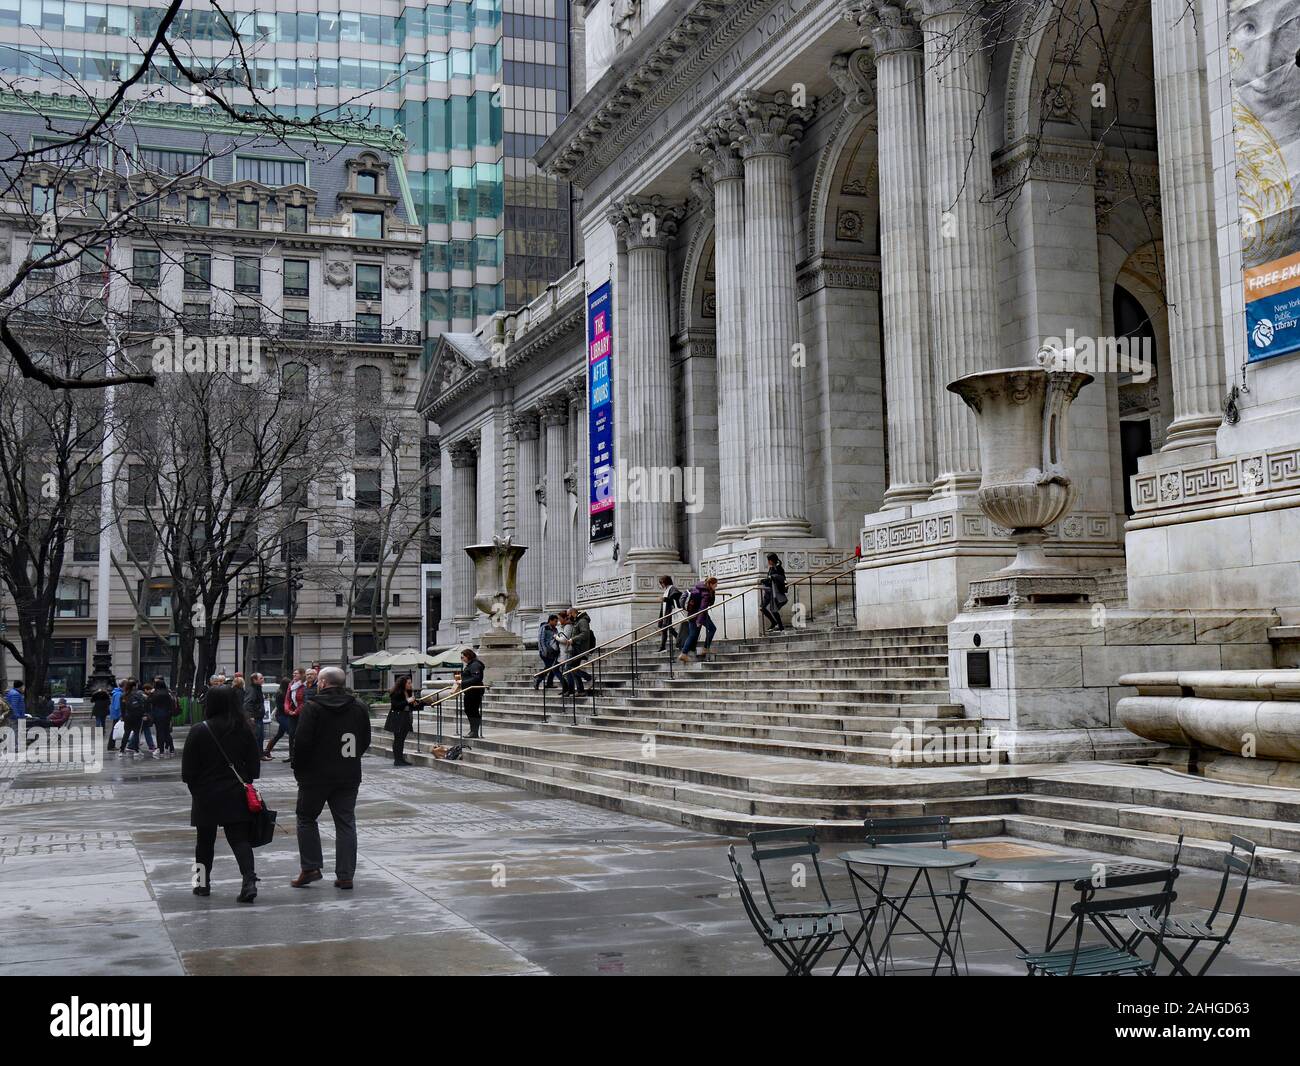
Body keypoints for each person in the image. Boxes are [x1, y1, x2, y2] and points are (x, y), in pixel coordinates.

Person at [291, 666, 371, 890]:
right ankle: (345, 875)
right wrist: (350, 759)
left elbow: (302, 743)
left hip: (315, 776)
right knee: (346, 822)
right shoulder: (359, 707)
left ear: (324, 683)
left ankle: (311, 867)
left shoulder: (313, 707)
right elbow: (365, 740)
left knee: (306, 818)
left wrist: (299, 770)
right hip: (348, 774)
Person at [181, 685, 260, 904]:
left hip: (205, 794)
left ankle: (201, 883)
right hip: (235, 792)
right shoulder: (245, 728)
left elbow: (187, 771)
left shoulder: (199, 729)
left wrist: (197, 790)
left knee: (204, 842)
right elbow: (254, 770)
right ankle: (249, 881)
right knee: (240, 840)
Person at [679, 577, 719, 663]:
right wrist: (699, 621)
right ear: (711, 584)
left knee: (692, 635)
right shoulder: (706, 593)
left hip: (691, 614)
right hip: (700, 615)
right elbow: (702, 608)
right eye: (715, 584)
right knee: (712, 629)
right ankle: (705, 648)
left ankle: (683, 653)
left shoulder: (698, 587)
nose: (716, 586)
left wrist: (712, 592)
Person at [265, 668, 303, 760]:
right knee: (291, 733)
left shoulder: (285, 692)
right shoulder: (281, 693)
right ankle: (292, 754)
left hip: (284, 715)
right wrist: (289, 709)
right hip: (282, 716)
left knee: (279, 734)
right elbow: (281, 706)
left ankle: (267, 751)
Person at [121, 678, 157, 757]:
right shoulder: (138, 694)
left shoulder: (124, 695)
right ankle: (137, 750)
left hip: (127, 717)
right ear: (134, 686)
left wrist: (123, 717)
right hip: (137, 717)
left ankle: (121, 750)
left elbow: (122, 708)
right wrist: (143, 715)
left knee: (126, 734)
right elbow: (143, 705)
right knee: (137, 733)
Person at [386, 676, 416, 766]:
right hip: (397, 717)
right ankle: (397, 759)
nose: (410, 685)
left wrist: (416, 702)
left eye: (411, 683)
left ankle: (400, 758)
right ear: (403, 684)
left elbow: (409, 705)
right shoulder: (396, 692)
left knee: (402, 739)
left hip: (405, 717)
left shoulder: (408, 692)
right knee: (398, 739)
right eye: (409, 683)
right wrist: (407, 701)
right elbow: (395, 705)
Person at [565, 608, 595, 695]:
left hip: (579, 649)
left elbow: (585, 634)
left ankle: (589, 678)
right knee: (573, 668)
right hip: (576, 648)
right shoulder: (578, 621)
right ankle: (580, 690)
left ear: (572, 613)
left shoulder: (582, 621)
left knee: (569, 668)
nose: (568, 617)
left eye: (568, 615)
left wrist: (573, 639)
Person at [458, 648, 486, 738]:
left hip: (474, 691)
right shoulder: (470, 665)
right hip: (469, 691)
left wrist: (462, 683)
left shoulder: (475, 665)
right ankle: (473, 730)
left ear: (468, 656)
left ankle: (474, 731)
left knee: (472, 711)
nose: (462, 659)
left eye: (463, 657)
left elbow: (476, 678)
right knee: (469, 710)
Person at [760, 552, 789, 632]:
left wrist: (772, 578)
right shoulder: (771, 568)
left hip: (775, 591)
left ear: (772, 560)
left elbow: (781, 579)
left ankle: (780, 626)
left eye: (769, 560)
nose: (768, 562)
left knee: (774, 609)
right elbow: (770, 579)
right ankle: (773, 622)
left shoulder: (778, 568)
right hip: (768, 591)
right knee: (762, 608)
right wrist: (765, 581)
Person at [149, 678, 176, 757]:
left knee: (159, 732)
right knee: (167, 732)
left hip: (158, 715)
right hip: (167, 715)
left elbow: (150, 702)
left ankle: (161, 750)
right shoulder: (167, 693)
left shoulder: (155, 693)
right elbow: (171, 704)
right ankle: (171, 749)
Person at [657, 576, 683, 652]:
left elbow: (676, 597)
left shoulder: (672, 588)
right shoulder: (667, 590)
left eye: (661, 583)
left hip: (670, 613)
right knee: (665, 629)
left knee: (670, 629)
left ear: (665, 582)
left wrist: (664, 599)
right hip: (666, 613)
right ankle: (663, 646)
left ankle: (681, 642)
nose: (661, 585)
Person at [536, 615, 561, 689]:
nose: (556, 623)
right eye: (555, 621)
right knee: (549, 667)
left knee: (552, 667)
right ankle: (538, 680)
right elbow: (541, 640)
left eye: (557, 621)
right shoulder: (544, 628)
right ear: (550, 620)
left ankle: (549, 683)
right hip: (545, 652)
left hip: (553, 652)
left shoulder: (555, 629)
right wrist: (544, 651)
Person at [244, 673, 266, 753]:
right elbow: (248, 703)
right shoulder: (252, 690)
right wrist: (251, 716)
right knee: (257, 737)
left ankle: (260, 754)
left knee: (260, 737)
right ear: (254, 680)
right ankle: (257, 755)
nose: (263, 679)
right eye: (261, 678)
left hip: (258, 716)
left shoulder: (257, 688)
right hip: (256, 717)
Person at [107, 678, 124, 751]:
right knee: (115, 730)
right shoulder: (118, 694)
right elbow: (117, 706)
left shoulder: (117, 692)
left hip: (116, 714)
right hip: (117, 715)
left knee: (115, 729)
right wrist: (121, 715)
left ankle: (111, 745)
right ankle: (111, 746)